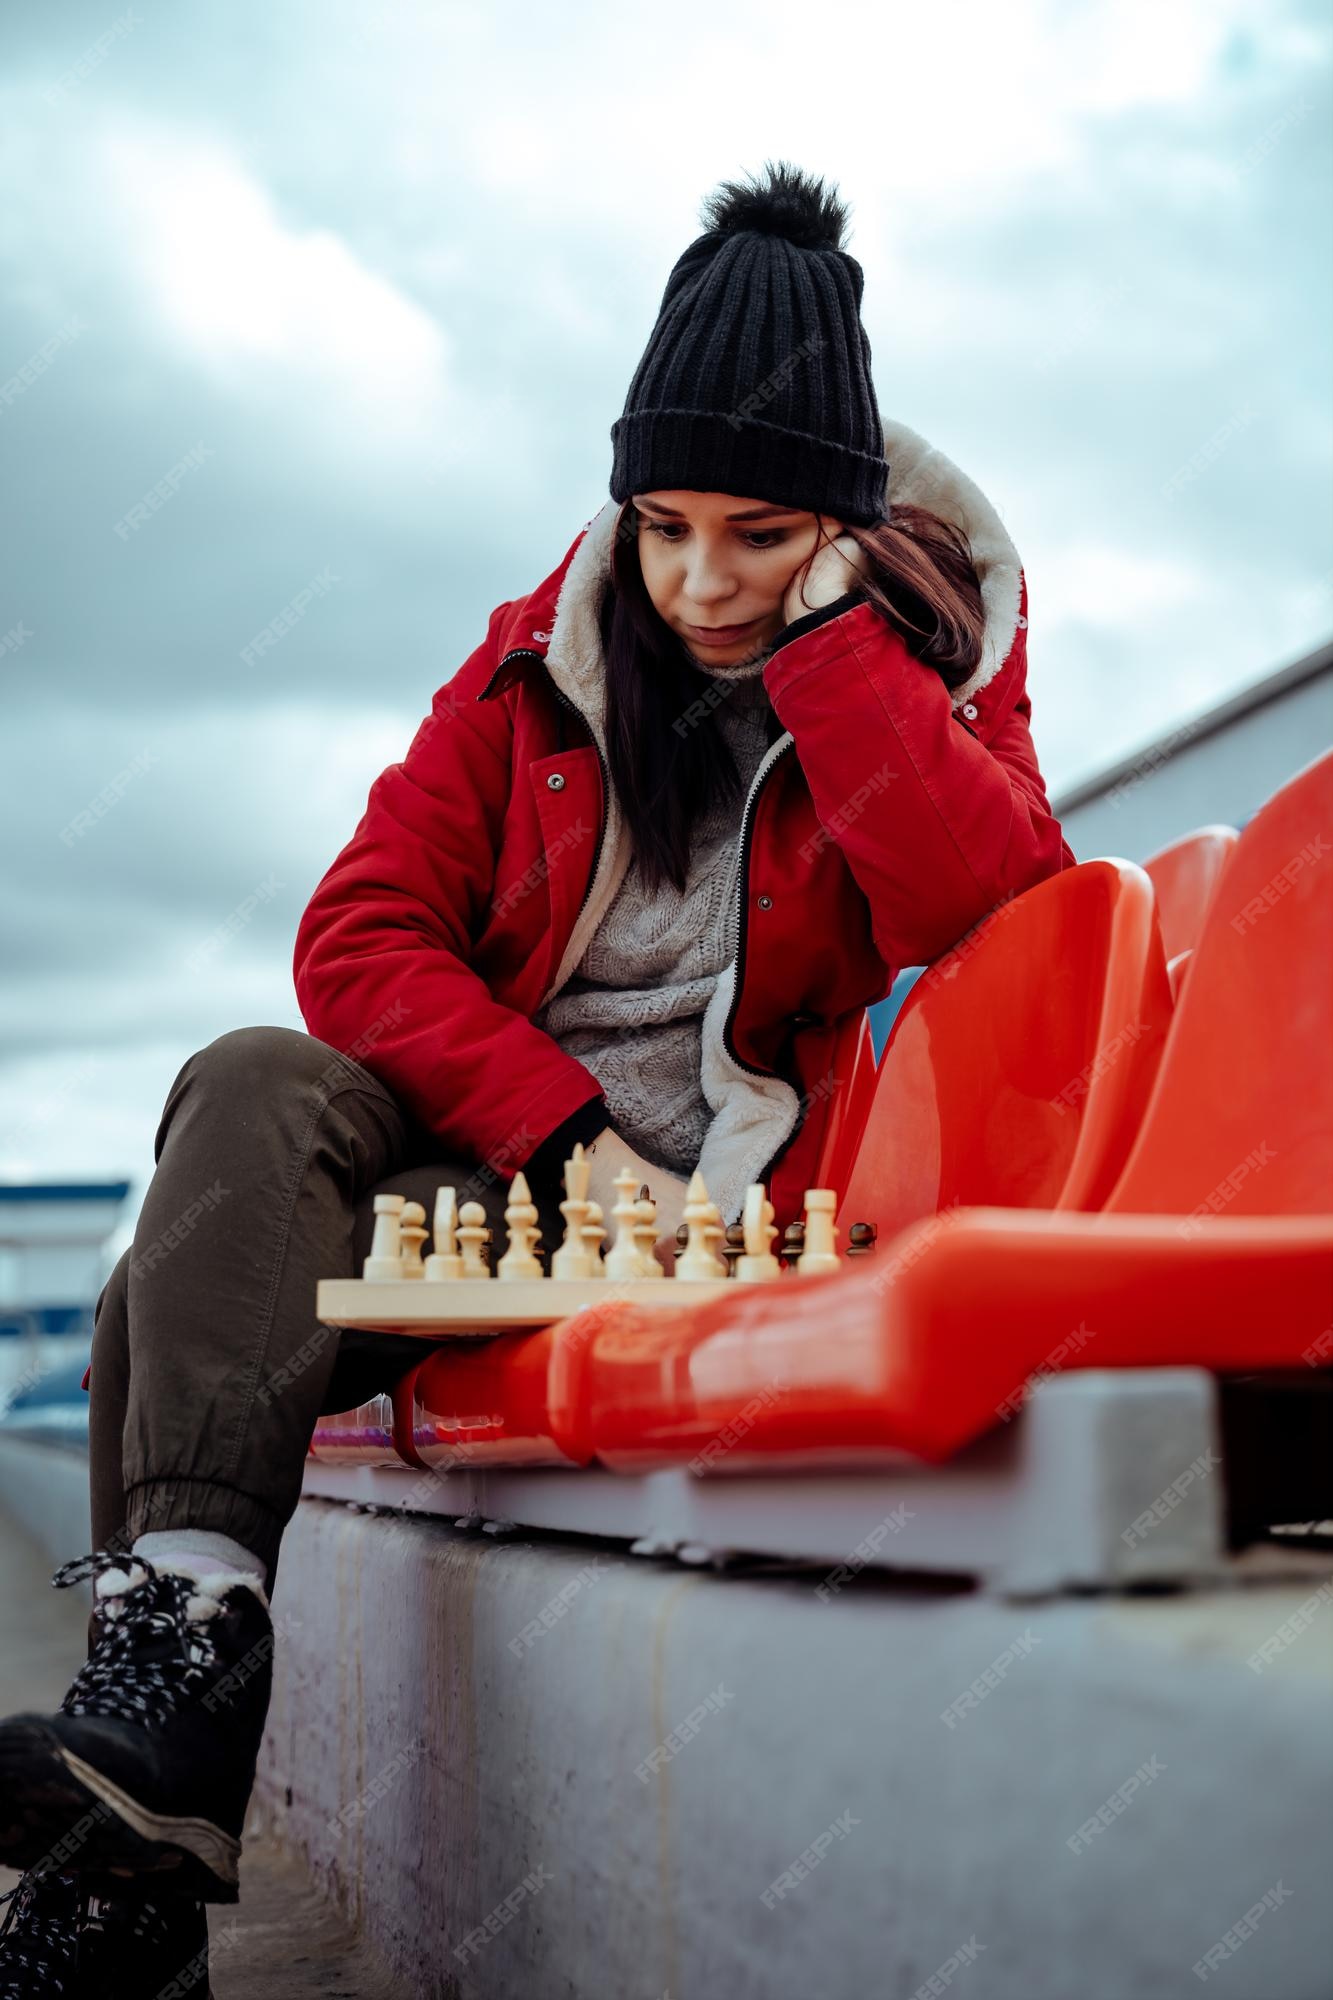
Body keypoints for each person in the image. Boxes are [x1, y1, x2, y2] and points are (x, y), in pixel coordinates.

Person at [0, 158, 1074, 1993]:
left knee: (144, 1307)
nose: (697, 579)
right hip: (498, 1185)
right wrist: (565, 1133)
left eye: (754, 534)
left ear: (832, 521)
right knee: (248, 1087)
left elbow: (990, 908)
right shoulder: (533, 659)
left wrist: (838, 658)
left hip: (723, 1215)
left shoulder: (926, 657)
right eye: (662, 525)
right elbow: (353, 940)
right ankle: (170, 1697)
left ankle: (128, 1881)